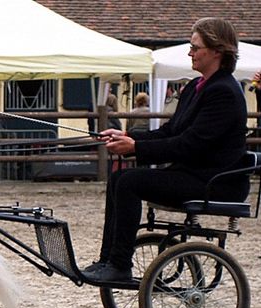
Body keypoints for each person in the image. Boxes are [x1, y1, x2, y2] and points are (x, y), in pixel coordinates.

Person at [82, 17, 249, 282]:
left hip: (214, 181)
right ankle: (108, 260)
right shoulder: (195, 87)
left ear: (217, 50)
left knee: (128, 182)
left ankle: (120, 264)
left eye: (196, 47)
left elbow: (191, 144)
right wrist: (128, 137)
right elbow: (171, 132)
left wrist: (135, 147)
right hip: (193, 174)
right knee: (119, 179)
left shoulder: (224, 92)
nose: (190, 52)